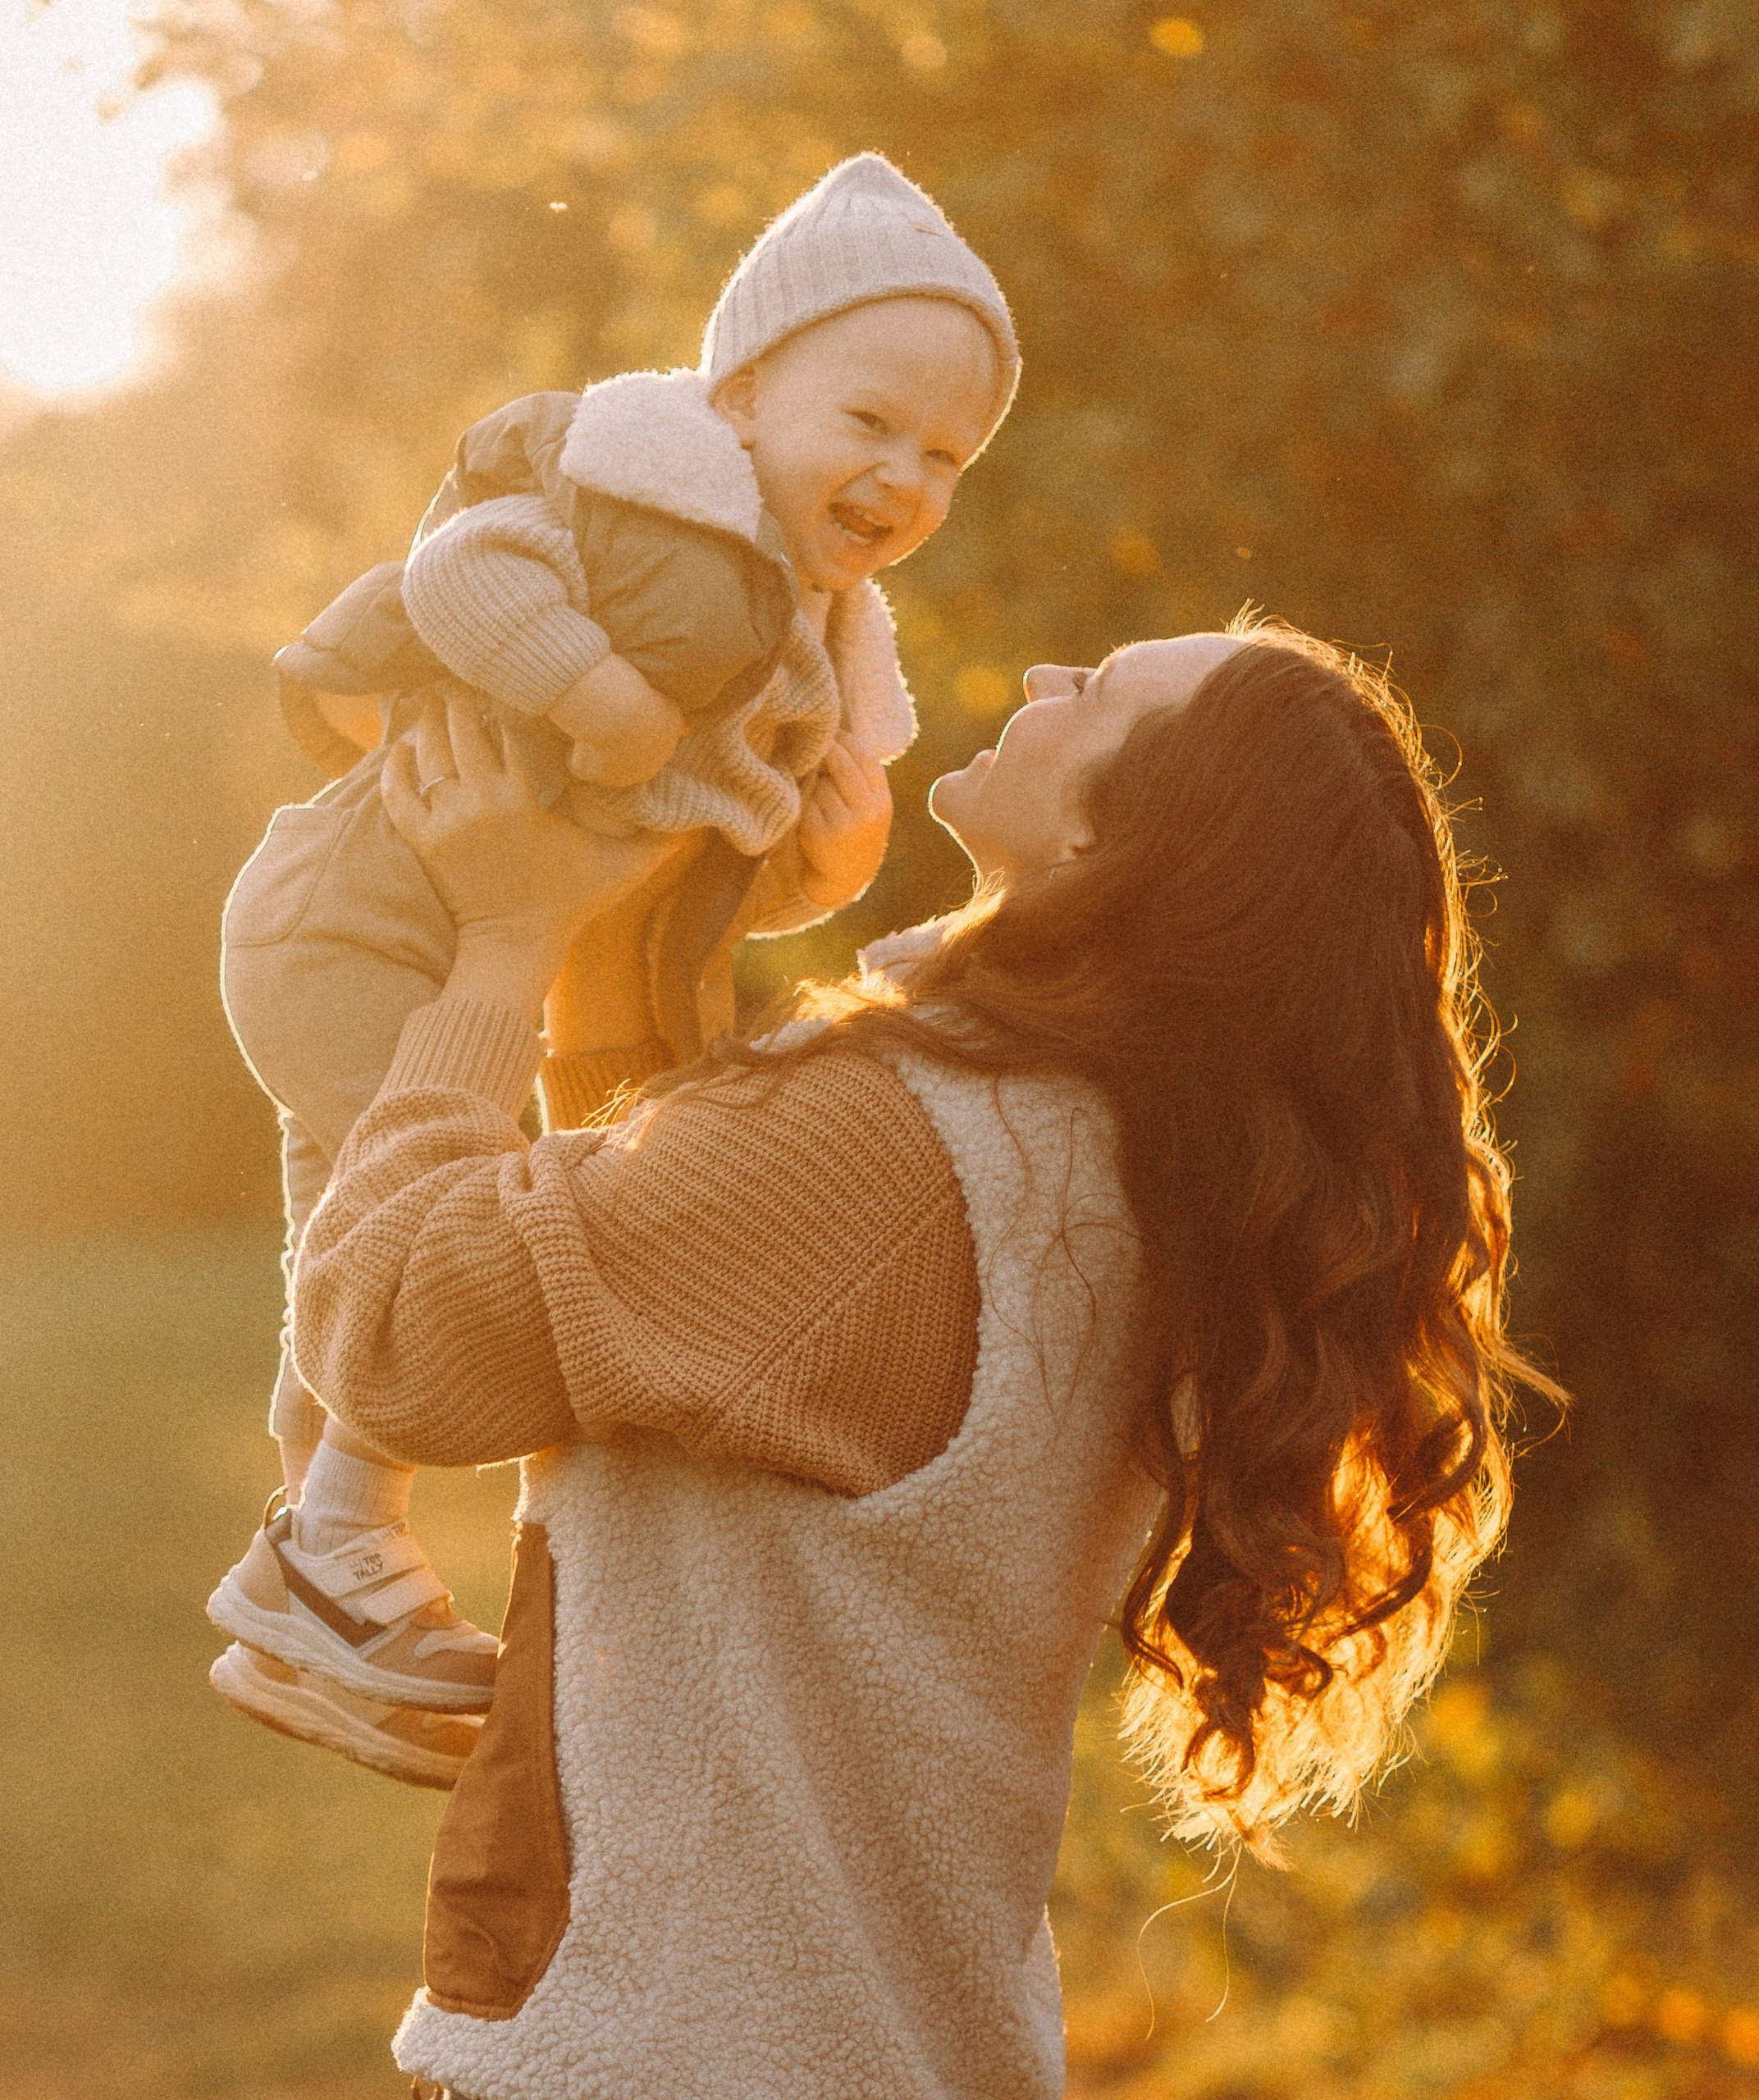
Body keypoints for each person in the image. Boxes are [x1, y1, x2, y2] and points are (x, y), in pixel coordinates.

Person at [276, 619, 1556, 2098]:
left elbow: (393, 1338)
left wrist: (495, 950)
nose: (1039, 676)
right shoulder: (1114, 1154)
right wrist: (622, 924)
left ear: (1111, 837)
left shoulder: (895, 1145)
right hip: (863, 2041)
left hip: (672, 2049)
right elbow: (664, 1295)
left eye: (1095, 687)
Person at [208, 153, 1020, 1774]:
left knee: (369, 1235)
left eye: (944, 455)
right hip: (352, 918)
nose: (902, 475)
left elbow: (670, 855)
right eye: (868, 422)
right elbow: (458, 576)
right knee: (434, 1233)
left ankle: (315, 1568)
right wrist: (596, 694)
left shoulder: (804, 624)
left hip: (443, 940)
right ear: (739, 391)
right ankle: (330, 1550)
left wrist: (826, 859)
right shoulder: (634, 495)